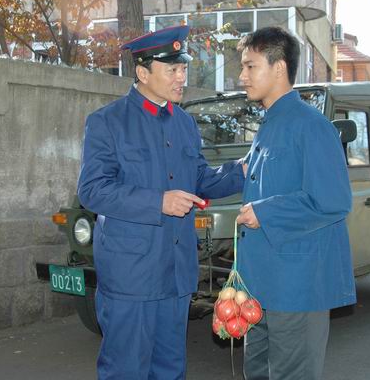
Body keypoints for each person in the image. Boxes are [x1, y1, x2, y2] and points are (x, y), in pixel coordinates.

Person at [77, 25, 245, 380]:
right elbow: (93, 190)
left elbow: (200, 179)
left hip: (176, 272)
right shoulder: (107, 122)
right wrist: (158, 202)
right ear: (142, 72)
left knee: (170, 370)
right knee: (126, 369)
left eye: (183, 68)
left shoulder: (184, 123)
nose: (182, 76)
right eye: (173, 69)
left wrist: (243, 170)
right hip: (131, 278)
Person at [235, 26, 356, 380]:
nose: (241, 76)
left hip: (297, 286)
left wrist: (264, 212)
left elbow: (332, 201)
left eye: (250, 66)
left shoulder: (311, 126)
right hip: (260, 283)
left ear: (279, 68)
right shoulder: (269, 124)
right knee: (256, 371)